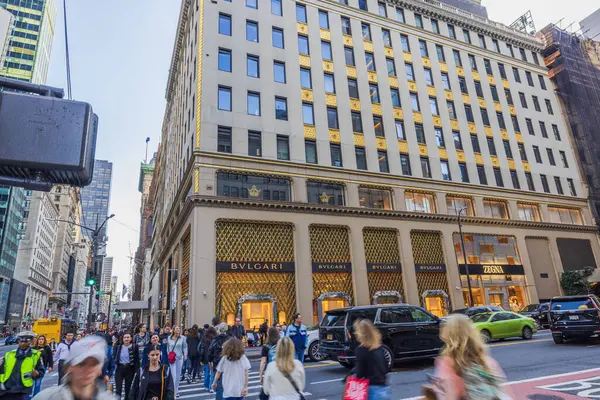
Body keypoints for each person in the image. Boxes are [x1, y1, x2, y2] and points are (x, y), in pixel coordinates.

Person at [431, 314, 511, 399]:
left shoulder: (448, 362)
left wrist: (436, 389)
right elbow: (501, 389)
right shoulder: (484, 359)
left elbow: (450, 396)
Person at [33, 335, 114, 400]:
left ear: (99, 370)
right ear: (69, 367)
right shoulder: (46, 397)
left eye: (94, 364)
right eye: (82, 364)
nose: (88, 370)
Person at [352, 319, 391, 399]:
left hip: (371, 391)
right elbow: (385, 368)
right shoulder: (380, 347)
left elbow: (360, 374)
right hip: (384, 390)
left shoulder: (361, 350)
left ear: (360, 334)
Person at [0, 331, 44, 399]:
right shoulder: (9, 354)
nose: (23, 343)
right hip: (7, 390)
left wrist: (37, 373)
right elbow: (2, 370)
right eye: (21, 341)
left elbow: (41, 372)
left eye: (26, 341)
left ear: (31, 342)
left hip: (23, 391)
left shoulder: (35, 355)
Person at [112, 332, 139, 400]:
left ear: (131, 338)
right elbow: (114, 356)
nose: (126, 339)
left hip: (130, 369)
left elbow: (137, 359)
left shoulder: (134, 346)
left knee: (127, 388)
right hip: (119, 368)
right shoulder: (118, 346)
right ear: (122, 339)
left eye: (128, 337)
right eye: (125, 337)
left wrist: (136, 370)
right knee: (118, 389)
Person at [208, 323, 230, 399]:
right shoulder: (230, 339)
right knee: (228, 385)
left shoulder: (215, 340)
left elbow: (210, 351)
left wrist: (210, 361)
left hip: (217, 363)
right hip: (229, 364)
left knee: (219, 386)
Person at [168, 325, 188, 397]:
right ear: (173, 330)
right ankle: (172, 390)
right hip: (172, 358)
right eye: (177, 328)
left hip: (180, 358)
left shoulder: (183, 338)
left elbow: (185, 347)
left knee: (178, 374)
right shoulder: (169, 338)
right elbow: (168, 348)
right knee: (173, 375)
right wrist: (169, 355)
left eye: (179, 328)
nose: (178, 330)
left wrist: (185, 355)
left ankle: (176, 390)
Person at [200, 327, 216, 391]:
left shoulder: (204, 338)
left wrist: (201, 359)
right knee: (212, 373)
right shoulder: (215, 339)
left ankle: (206, 386)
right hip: (212, 358)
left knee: (207, 373)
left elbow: (202, 350)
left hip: (206, 358)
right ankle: (211, 387)